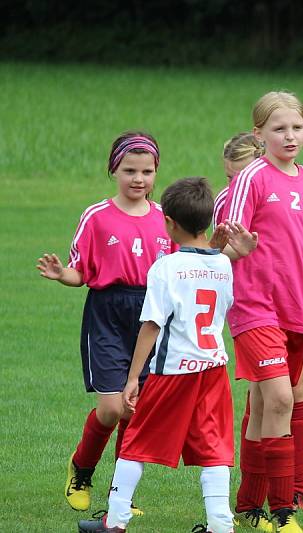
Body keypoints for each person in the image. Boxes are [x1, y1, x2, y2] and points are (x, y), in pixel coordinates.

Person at [77, 177, 236, 533]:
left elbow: (151, 326)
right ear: (207, 221)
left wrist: (133, 378)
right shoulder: (224, 265)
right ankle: (220, 525)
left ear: (170, 224)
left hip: (173, 370)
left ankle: (114, 521)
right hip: (213, 367)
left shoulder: (165, 268)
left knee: (136, 441)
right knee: (214, 447)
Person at [221, 91, 303, 533]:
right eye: (279, 128)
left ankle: (247, 506)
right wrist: (236, 248)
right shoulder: (251, 178)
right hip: (254, 308)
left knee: (262, 406)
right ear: (259, 134)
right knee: (280, 399)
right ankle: (283, 512)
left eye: (296, 127)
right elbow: (221, 242)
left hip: (297, 311)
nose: (290, 135)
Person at [37, 132, 173, 515]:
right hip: (108, 313)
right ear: (113, 169)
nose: (138, 179)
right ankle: (81, 468)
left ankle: (121, 495)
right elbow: (81, 272)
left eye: (147, 171)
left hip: (151, 316)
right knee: (113, 408)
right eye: (129, 170)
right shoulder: (96, 217)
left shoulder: (165, 217)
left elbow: (180, 267)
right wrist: (63, 274)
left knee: (136, 409)